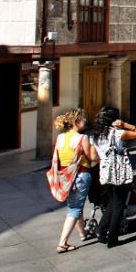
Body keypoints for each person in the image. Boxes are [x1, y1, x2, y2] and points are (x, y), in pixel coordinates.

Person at [88, 106, 136, 248]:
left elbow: (94, 157)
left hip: (105, 174)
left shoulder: (95, 136)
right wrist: (124, 125)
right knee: (119, 204)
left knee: (112, 201)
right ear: (114, 119)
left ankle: (101, 230)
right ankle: (112, 237)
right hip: (120, 174)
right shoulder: (117, 134)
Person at [53, 109, 97, 254]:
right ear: (76, 122)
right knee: (75, 209)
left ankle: (82, 233)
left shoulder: (60, 138)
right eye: (83, 119)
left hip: (65, 177)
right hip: (81, 175)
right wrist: (96, 150)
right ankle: (62, 243)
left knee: (77, 205)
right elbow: (92, 157)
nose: (86, 121)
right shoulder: (81, 138)